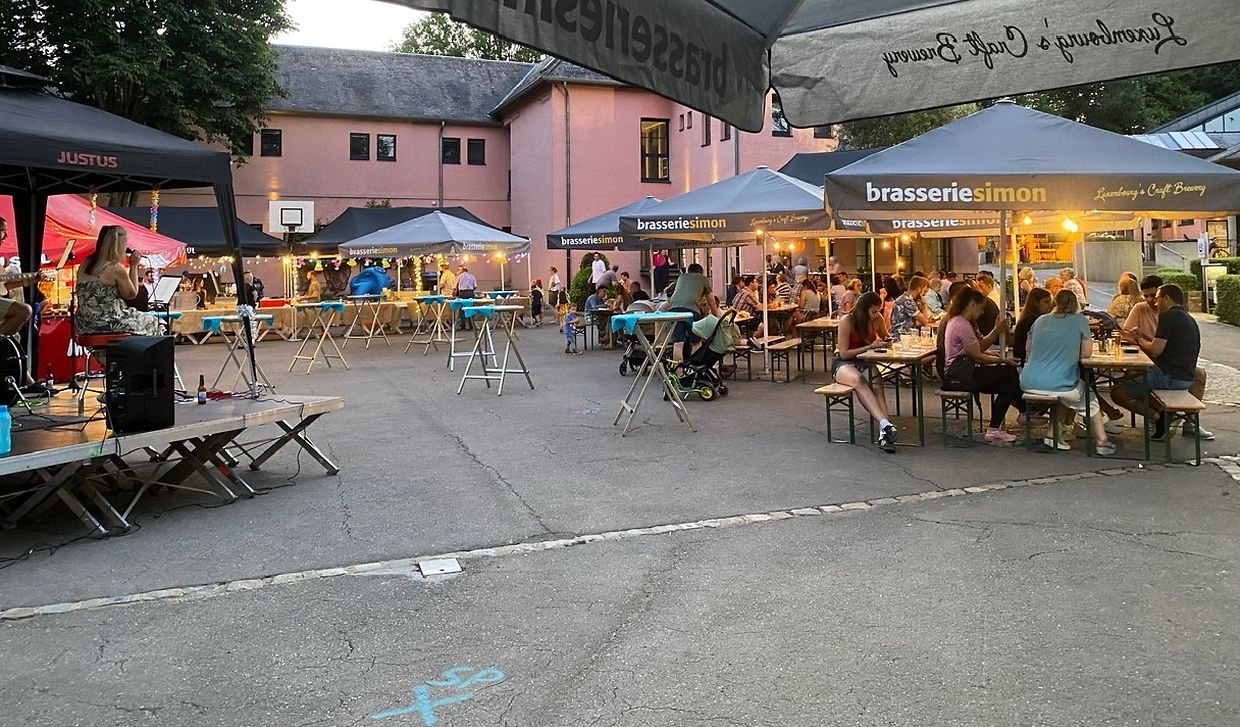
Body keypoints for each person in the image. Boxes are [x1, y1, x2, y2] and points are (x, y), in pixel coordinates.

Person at [1020, 289, 1116, 455]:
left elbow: (1028, 348)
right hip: (1060, 381)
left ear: (1055, 302)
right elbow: (1086, 353)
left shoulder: (1040, 320)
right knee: (1088, 396)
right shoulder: (1080, 320)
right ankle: (1102, 441)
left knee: (1064, 398)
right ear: (1075, 303)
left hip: (1028, 381)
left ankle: (1053, 434)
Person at [1114, 283, 1210, 440]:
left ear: (1167, 298)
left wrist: (1137, 338)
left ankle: (1159, 417)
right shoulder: (1188, 317)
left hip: (1168, 376)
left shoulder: (1168, 316)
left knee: (1118, 392)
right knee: (1136, 378)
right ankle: (1164, 415)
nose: (1155, 303)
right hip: (1186, 377)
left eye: (1157, 298)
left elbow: (1156, 350)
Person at [942, 288, 1026, 443]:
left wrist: (993, 353)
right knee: (1009, 372)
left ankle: (998, 426)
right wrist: (1003, 360)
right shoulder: (963, 325)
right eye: (980, 308)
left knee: (1008, 384)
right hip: (963, 375)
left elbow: (975, 349)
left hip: (961, 372)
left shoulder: (955, 321)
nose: (981, 313)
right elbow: (978, 356)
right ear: (972, 304)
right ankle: (1023, 412)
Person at [832, 291, 898, 452]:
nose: (876, 315)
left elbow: (885, 337)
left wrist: (886, 341)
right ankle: (885, 424)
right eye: (873, 311)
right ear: (864, 309)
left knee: (877, 384)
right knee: (859, 380)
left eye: (878, 311)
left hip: (865, 361)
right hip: (844, 363)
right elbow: (844, 353)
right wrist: (870, 346)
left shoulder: (877, 319)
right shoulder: (848, 320)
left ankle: (885, 431)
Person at [74, 225, 162, 336]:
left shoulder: (85, 263)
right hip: (108, 321)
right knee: (153, 321)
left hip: (84, 323)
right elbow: (132, 294)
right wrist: (133, 266)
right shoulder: (115, 268)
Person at [667, 262, 712, 360]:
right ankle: (693, 367)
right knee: (696, 342)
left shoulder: (681, 277)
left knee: (678, 343)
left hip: (674, 310)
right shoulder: (703, 279)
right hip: (691, 310)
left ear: (689, 271)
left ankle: (678, 369)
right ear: (701, 272)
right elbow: (711, 300)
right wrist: (716, 314)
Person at [1012, 287, 1052, 364]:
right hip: (1028, 361)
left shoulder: (1027, 318)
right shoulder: (1034, 321)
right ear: (1035, 303)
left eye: (1050, 302)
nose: (1050, 306)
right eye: (1046, 302)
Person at [889, 275, 932, 340]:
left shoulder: (904, 298)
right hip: (901, 338)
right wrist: (924, 304)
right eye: (924, 291)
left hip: (902, 336)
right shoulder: (907, 301)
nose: (925, 294)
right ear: (918, 289)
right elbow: (925, 322)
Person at [454, 264, 478, 330]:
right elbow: (475, 286)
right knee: (471, 308)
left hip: (462, 293)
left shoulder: (459, 276)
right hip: (470, 293)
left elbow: (455, 286)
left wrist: (455, 293)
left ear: (462, 271)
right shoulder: (472, 276)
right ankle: (471, 325)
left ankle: (463, 325)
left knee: (462, 310)